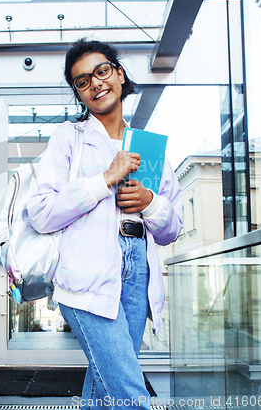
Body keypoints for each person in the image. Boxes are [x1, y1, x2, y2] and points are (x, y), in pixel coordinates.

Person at [27, 39, 183, 410]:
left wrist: (150, 203)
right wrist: (104, 180)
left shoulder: (148, 146)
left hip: (137, 274)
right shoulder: (70, 137)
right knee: (130, 394)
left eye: (101, 71)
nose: (95, 83)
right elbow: (41, 211)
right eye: (82, 81)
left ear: (119, 73)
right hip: (86, 273)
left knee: (104, 389)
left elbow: (172, 228)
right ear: (79, 94)